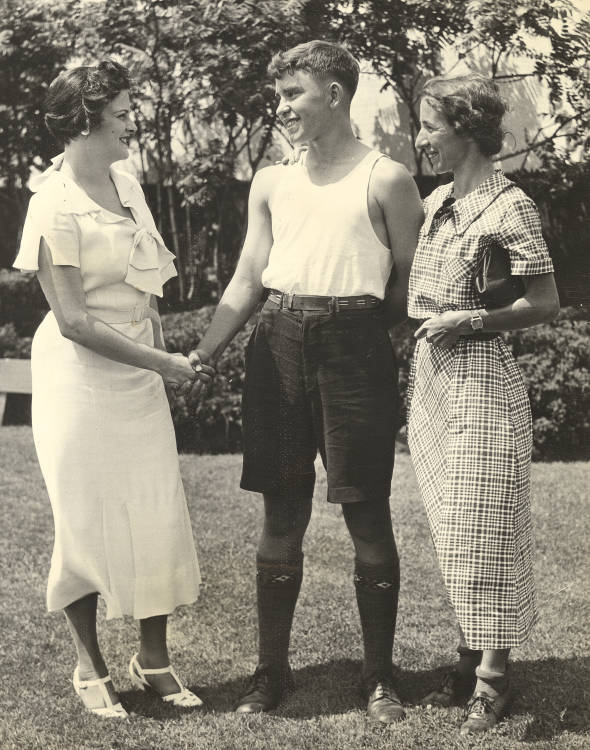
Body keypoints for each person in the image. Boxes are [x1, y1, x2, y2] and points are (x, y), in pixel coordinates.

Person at [188, 40, 423, 723]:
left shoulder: (387, 179)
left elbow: (408, 288)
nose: (281, 107)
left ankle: (380, 677)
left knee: (367, 512)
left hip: (355, 349)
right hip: (278, 347)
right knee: (281, 513)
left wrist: (357, 332)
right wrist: (201, 354)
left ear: (335, 93)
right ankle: (270, 672)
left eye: (294, 94)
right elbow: (245, 278)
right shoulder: (271, 181)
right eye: (280, 95)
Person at [13, 60, 214, 718]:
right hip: (78, 380)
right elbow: (72, 321)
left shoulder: (127, 181)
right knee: (87, 518)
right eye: (124, 110)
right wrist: (160, 363)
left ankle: (152, 659)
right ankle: (88, 666)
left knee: (155, 512)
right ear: (86, 119)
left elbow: (145, 276)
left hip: (139, 372)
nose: (135, 120)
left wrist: (157, 347)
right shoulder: (52, 203)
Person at [407, 73, 560, 735]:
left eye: (429, 126)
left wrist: (467, 321)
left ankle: (493, 676)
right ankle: (473, 654)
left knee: (486, 531)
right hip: (433, 383)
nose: (421, 138)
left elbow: (545, 303)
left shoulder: (510, 206)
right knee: (452, 530)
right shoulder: (439, 198)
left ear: (465, 129)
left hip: (483, 381)